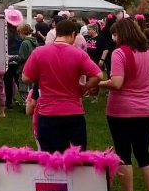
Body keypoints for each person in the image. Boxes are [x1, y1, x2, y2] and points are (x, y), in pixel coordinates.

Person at [98, 19, 149, 191]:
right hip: (146, 108)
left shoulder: (120, 53)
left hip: (121, 109)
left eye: (115, 34)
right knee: (143, 152)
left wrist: (98, 84)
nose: (113, 38)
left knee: (123, 152)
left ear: (123, 34)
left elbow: (117, 82)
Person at [21, 20, 103, 153]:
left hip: (48, 113)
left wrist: (43, 75)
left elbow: (25, 78)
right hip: (74, 112)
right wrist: (84, 88)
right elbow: (98, 76)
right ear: (73, 34)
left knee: (50, 158)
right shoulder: (79, 54)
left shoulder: (39, 52)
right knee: (76, 159)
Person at [84, 23, 109, 102]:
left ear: (94, 30)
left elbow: (105, 49)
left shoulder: (101, 38)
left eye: (89, 29)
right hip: (86, 61)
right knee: (86, 78)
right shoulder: (85, 38)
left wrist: (102, 59)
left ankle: (95, 96)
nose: (87, 31)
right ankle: (86, 92)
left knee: (95, 79)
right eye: (87, 29)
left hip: (96, 61)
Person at [16, 23, 37, 100]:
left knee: (23, 88)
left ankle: (27, 103)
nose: (19, 35)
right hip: (33, 67)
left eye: (20, 33)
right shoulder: (34, 41)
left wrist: (12, 58)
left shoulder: (25, 43)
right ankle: (32, 102)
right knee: (32, 87)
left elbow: (22, 57)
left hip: (24, 67)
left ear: (23, 32)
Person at [3, 23, 22, 110]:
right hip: (17, 60)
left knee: (8, 82)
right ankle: (25, 99)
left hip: (8, 60)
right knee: (18, 81)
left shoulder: (5, 34)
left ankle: (9, 102)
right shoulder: (19, 34)